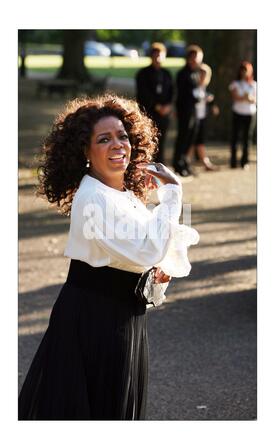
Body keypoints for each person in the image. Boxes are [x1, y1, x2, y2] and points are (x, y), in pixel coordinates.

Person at [18, 94, 199, 420]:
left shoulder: (122, 194)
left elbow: (160, 249)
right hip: (94, 324)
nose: (118, 145)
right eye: (104, 139)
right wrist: (173, 194)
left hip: (125, 318)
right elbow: (148, 249)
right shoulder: (93, 198)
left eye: (122, 136)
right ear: (85, 152)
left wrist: (157, 273)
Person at [136, 42, 173, 164]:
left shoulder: (167, 74)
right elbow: (143, 93)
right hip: (150, 113)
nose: (157, 58)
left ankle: (161, 165)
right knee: (148, 140)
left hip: (164, 114)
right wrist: (156, 106)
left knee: (161, 141)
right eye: (155, 55)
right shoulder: (143, 74)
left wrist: (168, 106)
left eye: (160, 55)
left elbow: (172, 92)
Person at [173, 44, 204, 176]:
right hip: (184, 111)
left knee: (191, 138)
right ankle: (178, 164)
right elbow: (183, 94)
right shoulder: (182, 74)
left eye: (197, 57)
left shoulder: (196, 73)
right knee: (183, 137)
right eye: (193, 57)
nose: (195, 60)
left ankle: (185, 162)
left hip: (194, 110)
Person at [190, 63, 220, 171]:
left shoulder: (206, 88)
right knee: (192, 141)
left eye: (205, 74)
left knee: (200, 141)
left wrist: (212, 105)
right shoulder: (193, 86)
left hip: (202, 117)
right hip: (193, 118)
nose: (202, 76)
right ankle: (188, 162)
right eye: (201, 73)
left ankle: (204, 162)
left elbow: (210, 101)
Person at [229, 61, 257, 169]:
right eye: (242, 70)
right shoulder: (235, 84)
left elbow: (255, 99)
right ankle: (233, 162)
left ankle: (245, 162)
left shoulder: (254, 85)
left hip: (250, 114)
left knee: (247, 139)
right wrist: (245, 98)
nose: (244, 73)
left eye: (246, 70)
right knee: (235, 138)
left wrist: (249, 99)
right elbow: (235, 97)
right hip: (238, 113)